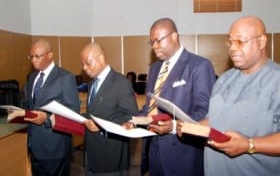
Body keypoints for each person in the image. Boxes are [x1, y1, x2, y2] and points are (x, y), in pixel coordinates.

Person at [177, 15, 280, 176]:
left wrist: (249, 145)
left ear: (261, 42)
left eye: (240, 41)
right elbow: (215, 119)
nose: (233, 48)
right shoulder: (224, 80)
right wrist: (193, 127)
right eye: (230, 41)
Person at [135, 18, 216, 176]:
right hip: (153, 148)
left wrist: (173, 126)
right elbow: (149, 107)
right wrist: (134, 121)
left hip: (183, 153)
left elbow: (205, 112)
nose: (155, 46)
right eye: (151, 42)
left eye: (158, 40)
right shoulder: (154, 68)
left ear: (174, 36)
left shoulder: (199, 65)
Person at [80, 42, 138, 176]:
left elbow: (132, 115)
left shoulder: (121, 83)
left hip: (111, 156)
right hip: (91, 153)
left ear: (100, 58)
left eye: (88, 63)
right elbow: (95, 112)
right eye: (82, 65)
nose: (84, 68)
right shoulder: (92, 83)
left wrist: (101, 125)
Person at [24, 39, 80, 176]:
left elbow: (73, 112)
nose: (33, 60)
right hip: (35, 146)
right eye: (31, 56)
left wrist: (47, 118)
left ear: (50, 55)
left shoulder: (65, 78)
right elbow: (32, 105)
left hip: (55, 147)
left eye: (37, 56)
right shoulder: (32, 78)